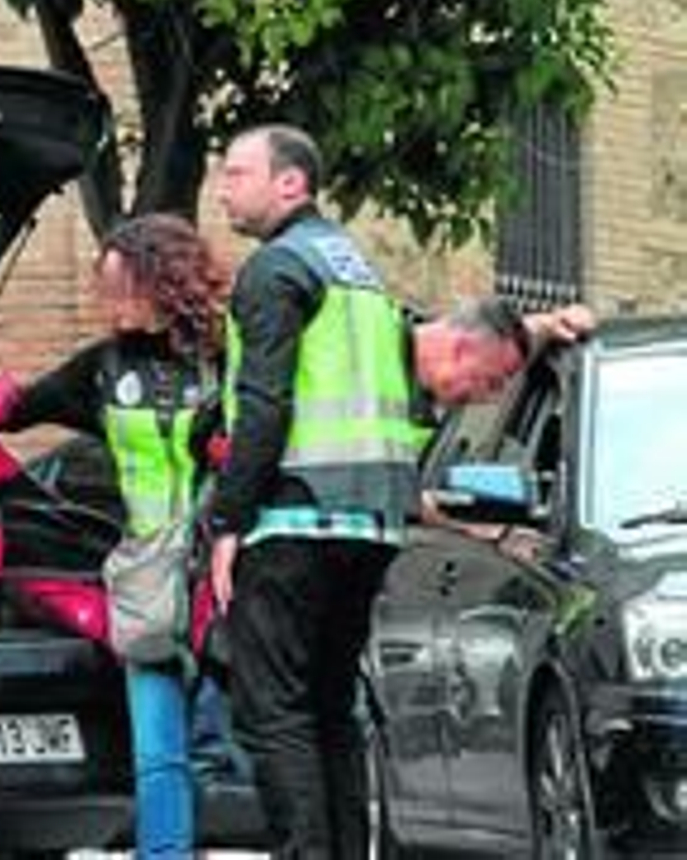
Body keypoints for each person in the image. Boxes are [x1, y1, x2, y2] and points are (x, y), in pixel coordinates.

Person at [205, 123, 589, 859]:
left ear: (291, 183)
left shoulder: (276, 271)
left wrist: (228, 520)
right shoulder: (360, 278)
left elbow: (263, 405)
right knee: (328, 709)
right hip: (368, 534)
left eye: (236, 172)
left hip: (290, 522)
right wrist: (539, 325)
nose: (225, 187)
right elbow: (437, 337)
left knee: (273, 712)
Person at [0, 213, 234, 856]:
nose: (107, 305)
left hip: (225, 576)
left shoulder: (233, 357)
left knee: (221, 741)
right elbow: (9, 413)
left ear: (163, 282)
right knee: (158, 754)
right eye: (102, 289)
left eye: (121, 289)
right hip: (145, 582)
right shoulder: (100, 369)